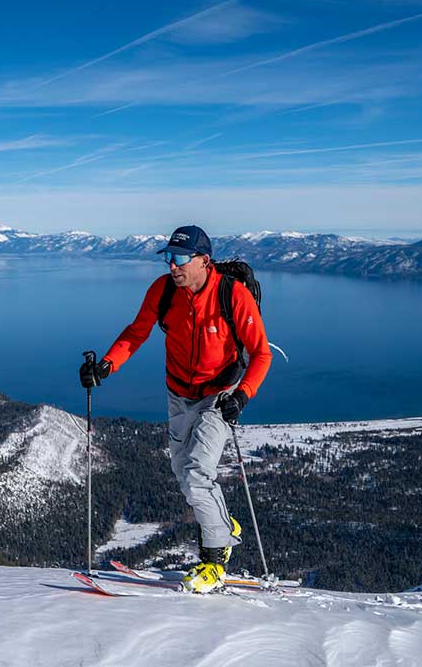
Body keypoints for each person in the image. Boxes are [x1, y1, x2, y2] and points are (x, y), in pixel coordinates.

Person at [80, 224, 271, 593]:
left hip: (219, 394)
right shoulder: (164, 291)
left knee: (199, 473)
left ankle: (213, 562)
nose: (172, 266)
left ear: (203, 260)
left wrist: (242, 394)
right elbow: (137, 331)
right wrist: (106, 364)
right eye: (169, 258)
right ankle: (224, 524)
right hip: (178, 394)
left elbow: (261, 353)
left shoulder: (232, 296)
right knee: (184, 473)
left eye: (180, 259)